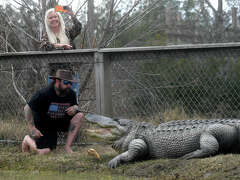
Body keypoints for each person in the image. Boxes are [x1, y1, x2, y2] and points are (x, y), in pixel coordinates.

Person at [22, 69, 84, 154]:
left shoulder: (70, 93)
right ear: (57, 81)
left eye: (71, 83)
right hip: (45, 124)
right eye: (66, 82)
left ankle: (67, 147)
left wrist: (75, 108)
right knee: (46, 151)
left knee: (79, 115)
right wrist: (32, 128)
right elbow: (27, 108)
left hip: (60, 121)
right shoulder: (44, 93)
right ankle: (27, 139)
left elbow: (75, 105)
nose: (69, 85)